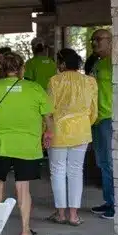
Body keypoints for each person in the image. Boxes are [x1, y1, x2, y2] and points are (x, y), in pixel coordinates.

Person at [0, 52, 53, 235]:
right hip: (27, 144)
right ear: (22, 69)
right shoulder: (34, 88)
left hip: (0, 143)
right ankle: (25, 230)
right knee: (23, 187)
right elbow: (48, 116)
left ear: (2, 69)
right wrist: (49, 133)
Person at [47, 49, 98, 225]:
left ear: (62, 63)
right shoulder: (90, 81)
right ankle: (74, 216)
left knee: (57, 171)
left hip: (58, 130)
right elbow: (94, 110)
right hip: (81, 130)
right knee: (76, 171)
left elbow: (48, 109)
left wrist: (46, 130)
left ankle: (60, 214)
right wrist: (85, 123)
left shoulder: (54, 81)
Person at [89, 29, 115, 220]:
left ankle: (115, 204)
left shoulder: (116, 62)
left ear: (110, 40)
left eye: (98, 39)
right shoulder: (98, 63)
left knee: (110, 162)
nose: (95, 43)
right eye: (93, 40)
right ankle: (109, 201)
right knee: (102, 162)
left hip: (110, 118)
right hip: (97, 119)